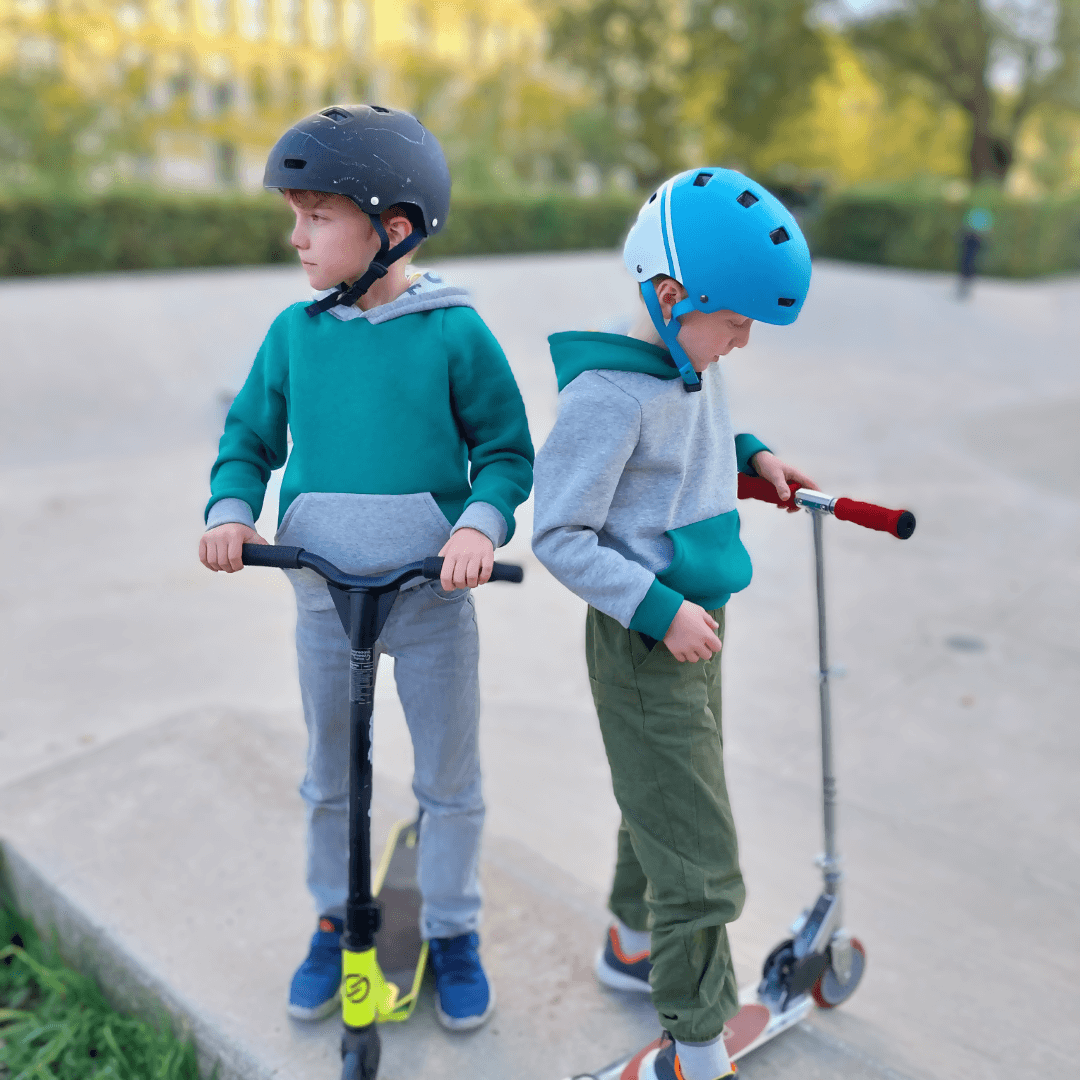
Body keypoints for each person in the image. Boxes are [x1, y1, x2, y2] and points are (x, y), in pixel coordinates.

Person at [198, 104, 533, 1031]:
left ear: (391, 230)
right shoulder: (296, 333)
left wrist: (478, 526)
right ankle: (334, 915)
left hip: (430, 598)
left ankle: (452, 927)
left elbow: (506, 451)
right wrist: (233, 509)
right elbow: (248, 437)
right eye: (294, 217)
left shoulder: (455, 333)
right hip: (322, 600)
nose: (295, 237)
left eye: (316, 218)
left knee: (448, 780)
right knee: (328, 778)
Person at [532, 168, 815, 1080]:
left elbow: (688, 442)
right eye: (734, 321)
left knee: (660, 797)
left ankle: (628, 944)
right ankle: (695, 1049)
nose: (741, 342)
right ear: (668, 296)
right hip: (650, 636)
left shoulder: (686, 360)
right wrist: (661, 612)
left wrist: (752, 454)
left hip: (694, 623)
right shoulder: (608, 396)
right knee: (700, 854)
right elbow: (561, 535)